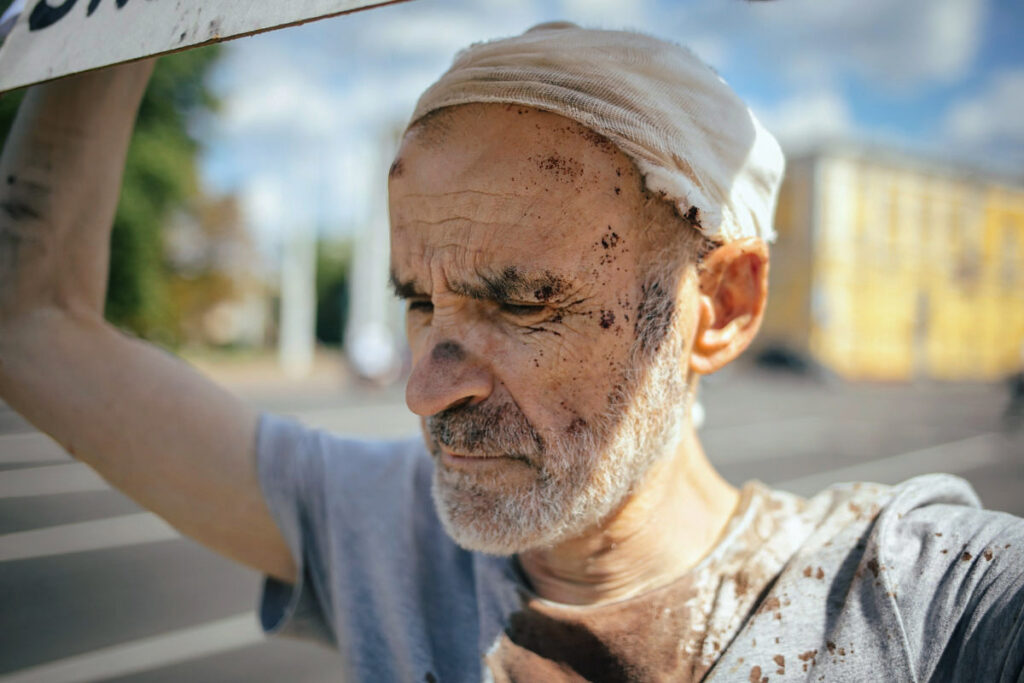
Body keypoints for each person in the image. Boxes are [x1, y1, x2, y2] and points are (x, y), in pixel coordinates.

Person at [1, 22, 1021, 683]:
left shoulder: (918, 602)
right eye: (417, 299)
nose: (420, 388)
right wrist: (112, 27)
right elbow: (28, 318)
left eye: (523, 300)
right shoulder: (387, 538)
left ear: (720, 302)